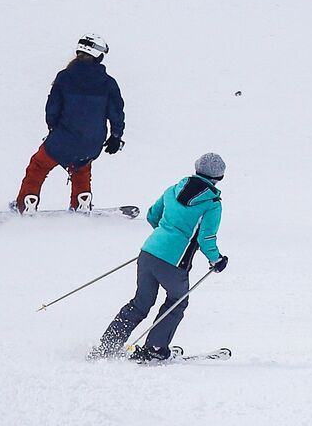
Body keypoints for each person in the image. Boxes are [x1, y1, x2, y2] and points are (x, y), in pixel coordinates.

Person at [91, 154, 229, 361]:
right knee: (177, 301)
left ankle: (107, 346)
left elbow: (152, 216)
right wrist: (216, 260)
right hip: (173, 263)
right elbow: (206, 238)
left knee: (140, 303)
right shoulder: (212, 203)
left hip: (148, 252)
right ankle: (155, 348)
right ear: (220, 176)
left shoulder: (173, 189)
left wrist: (163, 239)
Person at [14, 35, 126, 213]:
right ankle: (81, 202)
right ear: (99, 56)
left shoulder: (64, 77)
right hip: (92, 142)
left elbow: (52, 108)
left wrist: (53, 128)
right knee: (81, 167)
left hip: (62, 138)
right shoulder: (108, 83)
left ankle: (27, 201)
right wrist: (116, 136)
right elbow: (116, 112)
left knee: (39, 166)